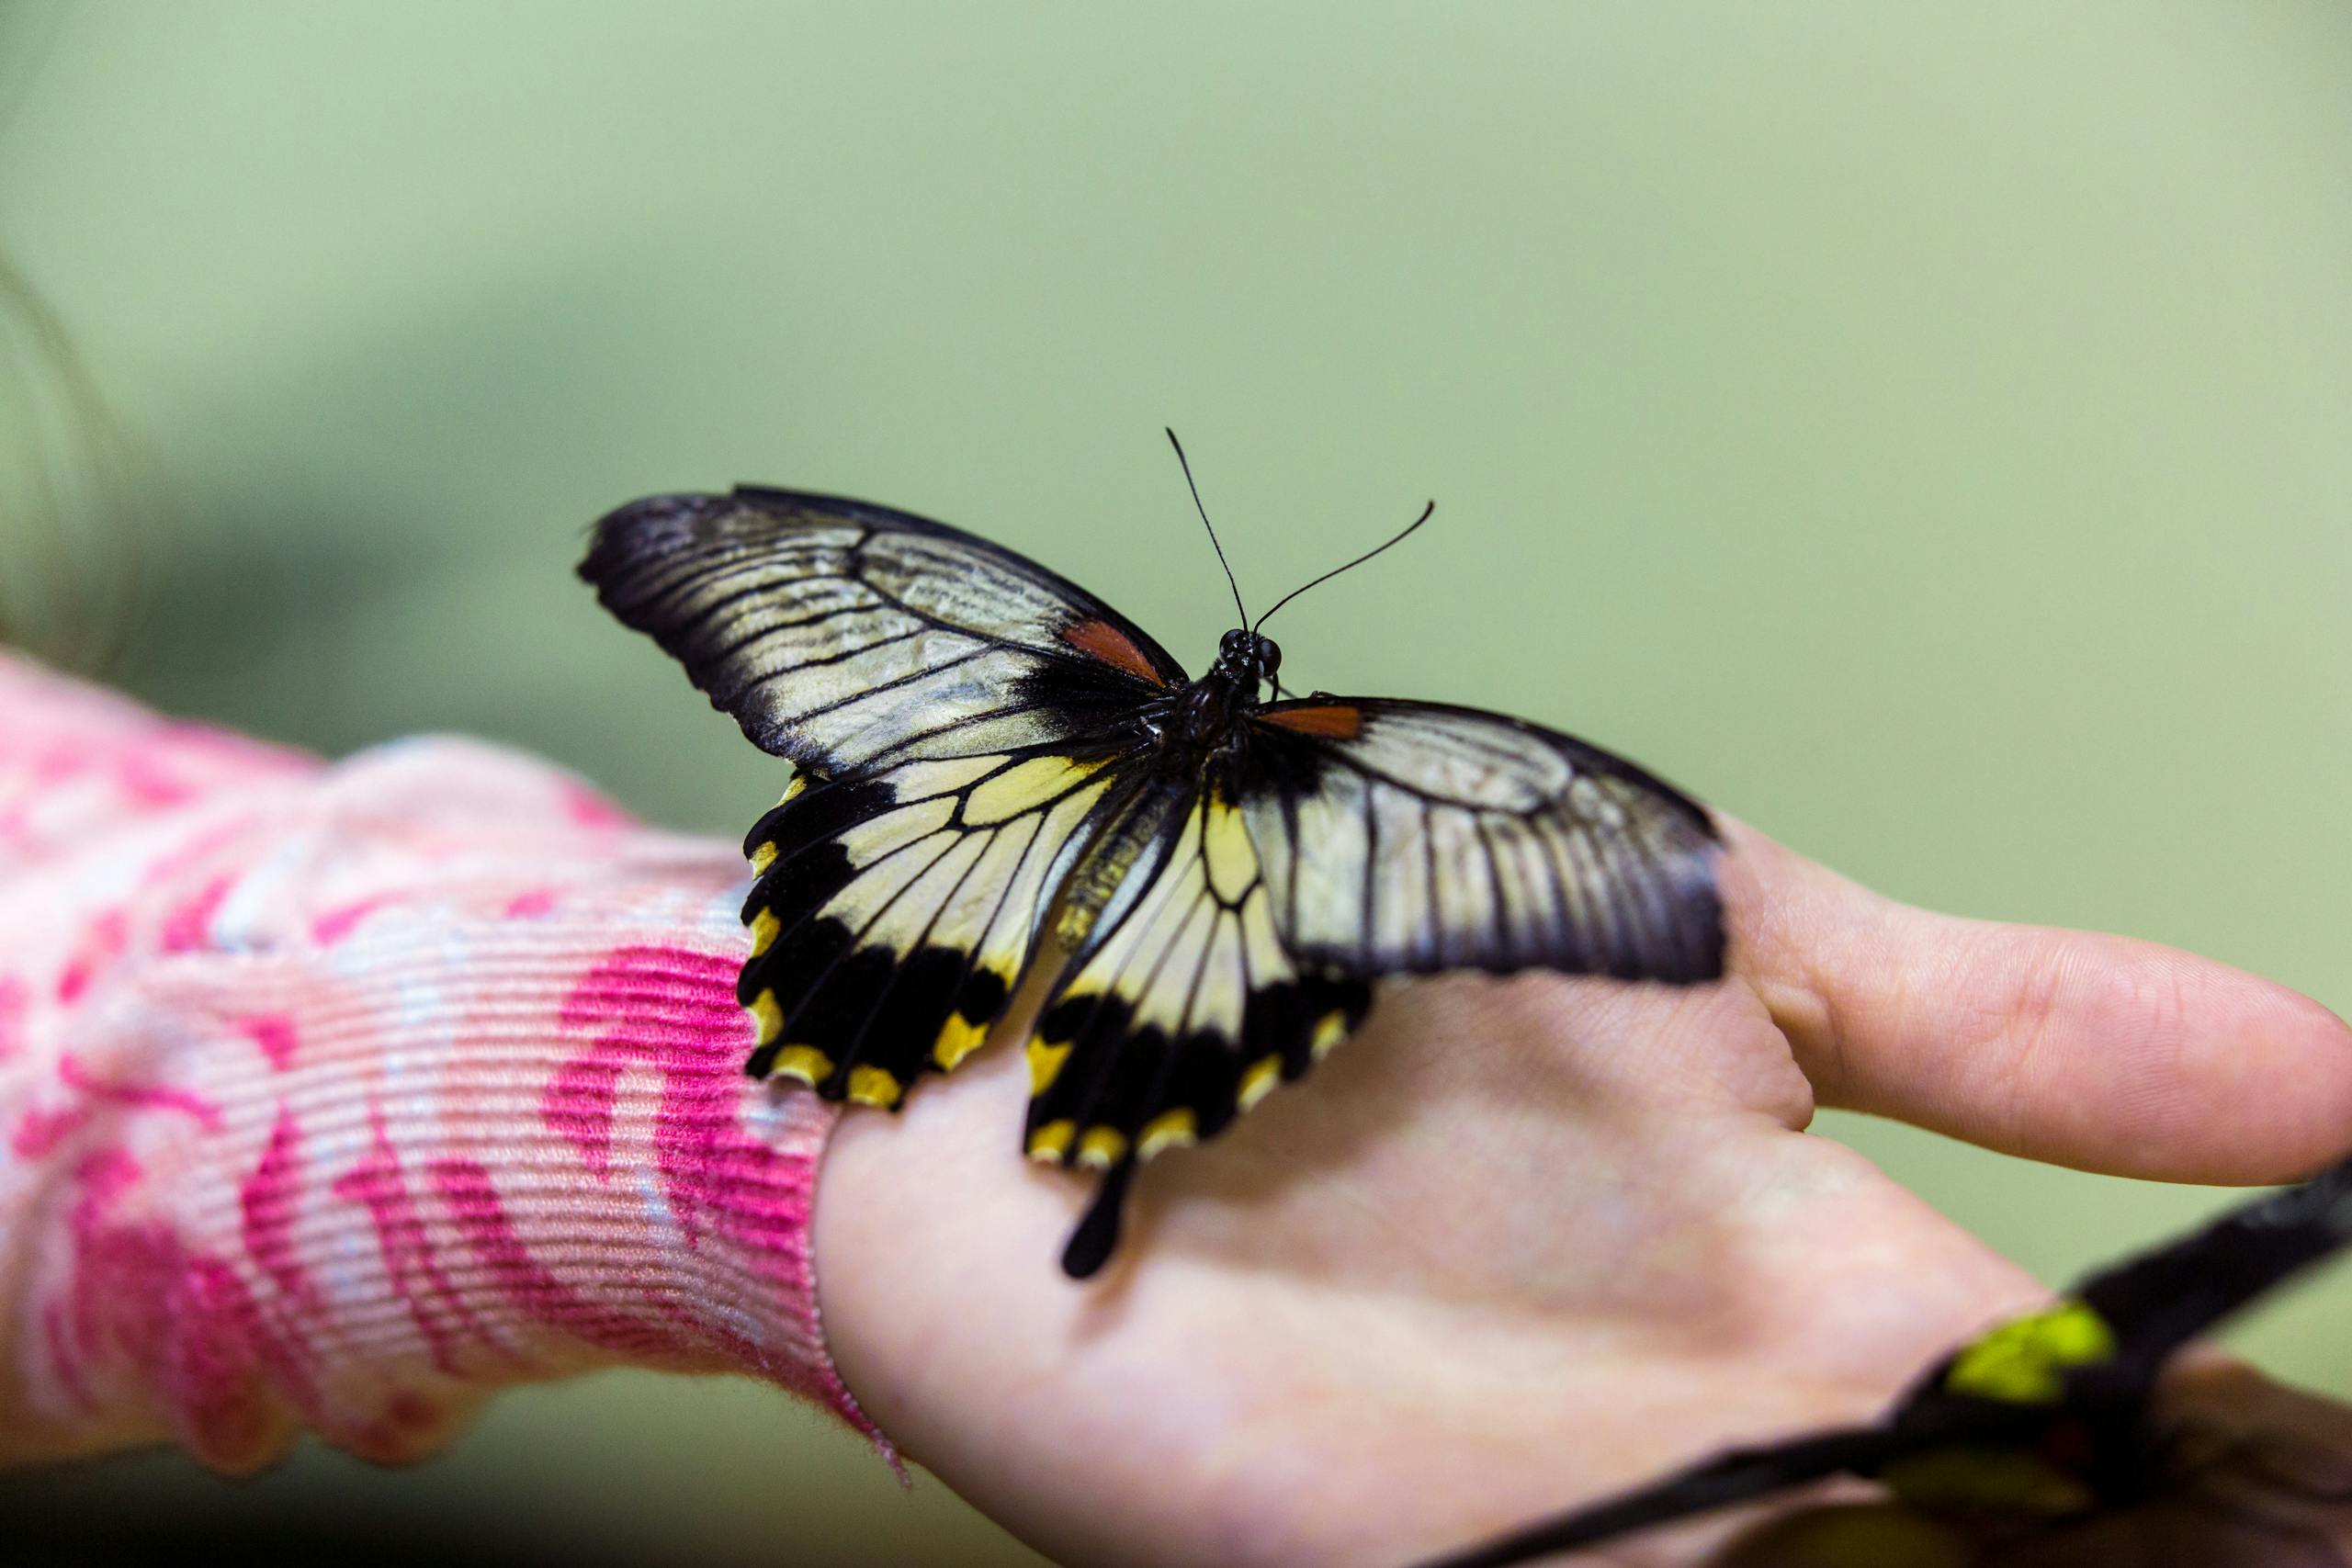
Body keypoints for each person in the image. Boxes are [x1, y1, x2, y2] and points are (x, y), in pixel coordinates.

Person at [3, 644, 2349, 1567]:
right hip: (1073, 925)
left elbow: (72, 889)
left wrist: (697, 1088)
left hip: (997, 924)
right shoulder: (1298, 755)